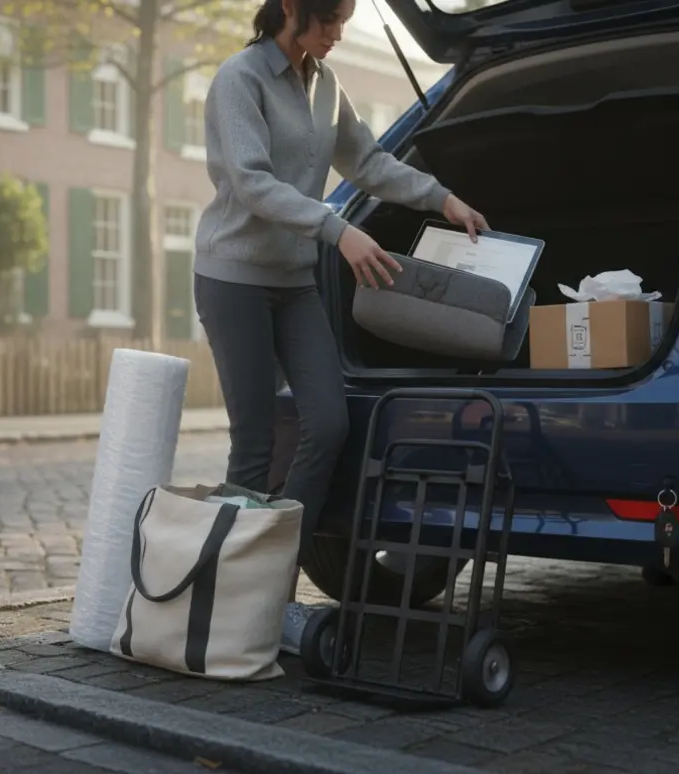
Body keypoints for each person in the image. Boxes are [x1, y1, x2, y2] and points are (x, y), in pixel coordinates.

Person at [194, 0, 490, 653]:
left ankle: (266, 582)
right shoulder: (239, 80)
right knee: (252, 450)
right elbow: (250, 183)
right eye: (330, 22)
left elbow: (370, 163)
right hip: (235, 279)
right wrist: (339, 230)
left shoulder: (325, 85)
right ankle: (227, 612)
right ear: (292, 10)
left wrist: (444, 198)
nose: (337, 34)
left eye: (345, 23)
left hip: (294, 283)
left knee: (327, 420)